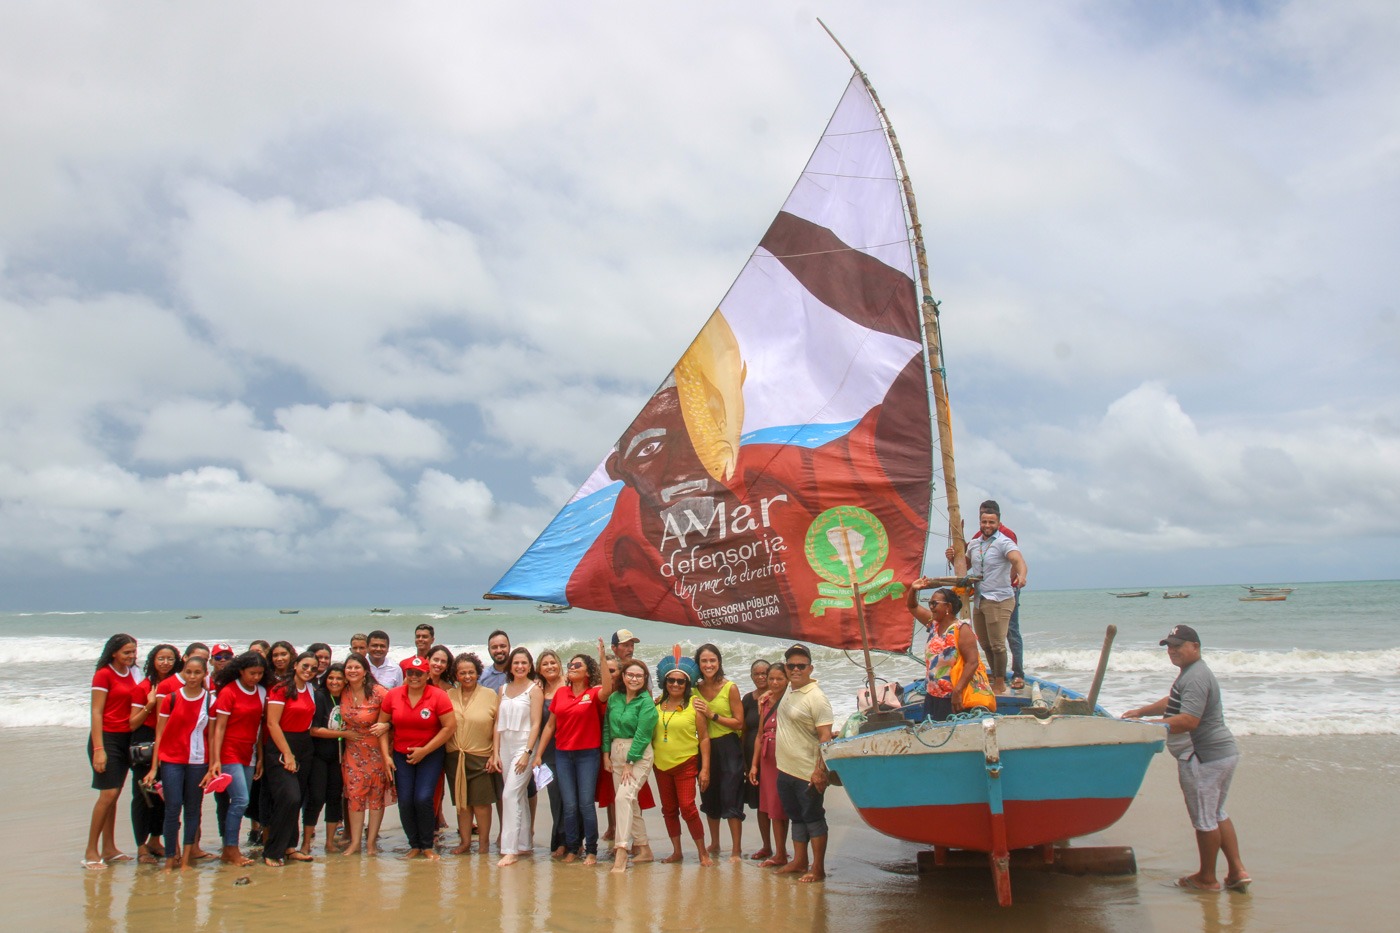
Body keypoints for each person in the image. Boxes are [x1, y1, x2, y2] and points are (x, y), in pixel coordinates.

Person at [1123, 625, 1251, 894]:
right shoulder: (1194, 674)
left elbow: (1189, 720)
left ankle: (1207, 878)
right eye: (1169, 646)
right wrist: (1142, 711)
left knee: (1204, 820)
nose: (1172, 651)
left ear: (1195, 646)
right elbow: (1175, 701)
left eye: (1178, 646)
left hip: (1202, 757)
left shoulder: (1194, 676)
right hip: (1223, 753)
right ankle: (1237, 871)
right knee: (1217, 813)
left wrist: (1151, 727)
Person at [533, 639, 613, 864]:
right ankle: (572, 847)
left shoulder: (593, 693)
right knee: (568, 804)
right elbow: (550, 726)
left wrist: (602, 659)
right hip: (563, 755)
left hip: (587, 755)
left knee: (585, 804)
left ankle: (592, 850)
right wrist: (538, 754)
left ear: (588, 672)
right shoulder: (561, 694)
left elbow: (607, 689)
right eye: (571, 665)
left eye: (578, 665)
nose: (572, 667)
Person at [947, 501, 1027, 695]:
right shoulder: (975, 543)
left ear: (998, 522)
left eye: (991, 522)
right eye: (984, 521)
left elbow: (1018, 560)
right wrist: (952, 557)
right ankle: (997, 675)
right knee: (985, 643)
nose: (987, 525)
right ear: (980, 522)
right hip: (980, 599)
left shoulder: (1004, 541)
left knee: (1000, 642)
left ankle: (1002, 681)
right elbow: (964, 567)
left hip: (1000, 598)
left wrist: (1022, 576)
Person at [141, 655, 212, 872]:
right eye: (188, 672)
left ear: (204, 674)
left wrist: (213, 765)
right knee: (172, 809)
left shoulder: (210, 700)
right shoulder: (171, 698)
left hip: (198, 761)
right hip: (172, 760)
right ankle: (171, 858)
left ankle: (187, 859)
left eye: (197, 672)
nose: (192, 677)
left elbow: (214, 735)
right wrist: (154, 767)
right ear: (183, 673)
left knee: (193, 810)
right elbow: (159, 734)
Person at [380, 656, 455, 860]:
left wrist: (425, 750)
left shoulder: (438, 696)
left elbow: (449, 727)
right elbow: (382, 727)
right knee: (405, 801)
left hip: (430, 755)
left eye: (419, 673)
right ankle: (414, 845)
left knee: (423, 799)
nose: (414, 677)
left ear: (427, 675)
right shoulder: (393, 695)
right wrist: (386, 756)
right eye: (410, 673)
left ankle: (427, 844)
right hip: (401, 755)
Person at [774, 643, 833, 883]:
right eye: (791, 665)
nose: (796, 669)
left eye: (801, 665)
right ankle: (799, 861)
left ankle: (817, 868)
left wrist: (820, 771)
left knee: (813, 818)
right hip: (785, 768)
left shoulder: (817, 698)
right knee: (796, 817)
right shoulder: (789, 688)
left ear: (811, 668)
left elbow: (826, 737)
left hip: (808, 771)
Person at [85, 633, 143, 869]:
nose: (131, 656)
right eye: (126, 652)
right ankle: (91, 850)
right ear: (114, 653)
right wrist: (99, 749)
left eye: (133, 651)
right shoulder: (104, 674)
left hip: (126, 738)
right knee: (107, 794)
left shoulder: (132, 673)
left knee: (115, 795)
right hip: (106, 738)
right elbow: (96, 713)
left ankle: (109, 848)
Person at [651, 650, 712, 866]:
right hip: (660, 766)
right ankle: (676, 851)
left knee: (688, 808)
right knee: (668, 809)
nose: (675, 684)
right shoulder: (656, 705)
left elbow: (704, 738)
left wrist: (705, 769)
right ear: (665, 681)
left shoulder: (694, 705)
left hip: (686, 763)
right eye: (671, 680)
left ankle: (702, 852)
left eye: (680, 681)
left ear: (687, 685)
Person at [209, 650, 268, 866]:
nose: (256, 677)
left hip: (249, 753)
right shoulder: (229, 692)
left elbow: (260, 728)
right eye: (252, 673)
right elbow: (219, 728)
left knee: (243, 801)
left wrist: (260, 757)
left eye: (260, 673)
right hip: (228, 751)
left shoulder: (261, 692)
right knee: (240, 800)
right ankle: (231, 849)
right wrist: (215, 760)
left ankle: (229, 847)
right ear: (241, 671)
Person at [906, 582, 995, 721]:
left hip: (953, 698)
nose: (931, 607)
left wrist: (957, 692)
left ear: (948, 606)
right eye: (929, 603)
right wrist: (913, 589)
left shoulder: (962, 629)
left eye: (934, 604)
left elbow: (972, 662)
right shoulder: (933, 624)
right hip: (933, 695)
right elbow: (912, 606)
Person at [262, 650, 319, 866]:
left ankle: (289, 847)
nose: (309, 671)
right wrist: (287, 753)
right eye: (305, 666)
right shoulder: (281, 689)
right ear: (295, 665)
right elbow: (272, 723)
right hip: (281, 745)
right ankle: (271, 851)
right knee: (289, 797)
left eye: (313, 669)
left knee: (298, 800)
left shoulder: (311, 689)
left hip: (304, 745)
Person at [603, 658, 658, 872]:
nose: (634, 679)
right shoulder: (615, 698)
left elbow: (643, 734)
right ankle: (644, 849)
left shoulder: (646, 702)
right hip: (616, 753)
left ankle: (622, 851)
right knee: (630, 803)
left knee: (623, 797)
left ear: (645, 679)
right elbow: (607, 728)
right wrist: (606, 755)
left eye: (639, 676)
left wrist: (629, 762)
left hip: (638, 756)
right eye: (630, 675)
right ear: (623, 676)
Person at [693, 644, 745, 860]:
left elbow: (739, 723)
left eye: (712, 660)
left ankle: (736, 849)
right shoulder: (694, 690)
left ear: (719, 662)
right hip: (704, 748)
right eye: (704, 661)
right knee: (709, 794)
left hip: (729, 745)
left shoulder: (730, 687)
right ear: (698, 664)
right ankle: (714, 843)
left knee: (731, 795)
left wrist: (713, 715)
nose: (708, 665)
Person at [339, 653, 393, 856]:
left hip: (377, 750)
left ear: (365, 671)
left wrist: (387, 724)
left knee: (376, 796)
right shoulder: (342, 692)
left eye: (356, 667)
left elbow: (397, 713)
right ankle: (355, 843)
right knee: (354, 796)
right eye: (349, 667)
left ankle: (371, 844)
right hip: (352, 751)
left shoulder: (379, 693)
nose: (352, 671)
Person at [129, 643, 178, 864]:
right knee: (142, 795)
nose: (165, 663)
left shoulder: (178, 686)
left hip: (169, 739)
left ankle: (155, 840)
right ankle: (141, 847)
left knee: (162, 795)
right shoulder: (143, 687)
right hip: (146, 740)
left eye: (169, 659)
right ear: (153, 660)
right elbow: (132, 723)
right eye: (161, 658)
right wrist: (149, 704)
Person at [494, 646, 543, 866]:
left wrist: (528, 752)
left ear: (530, 666)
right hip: (505, 744)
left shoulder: (534, 689)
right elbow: (497, 723)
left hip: (524, 745)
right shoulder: (503, 689)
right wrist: (495, 752)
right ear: (510, 666)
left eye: (524, 663)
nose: (520, 666)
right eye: (516, 663)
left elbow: (536, 724)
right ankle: (524, 844)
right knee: (519, 796)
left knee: (509, 795)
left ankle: (510, 849)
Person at [446, 653, 498, 856]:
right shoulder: (449, 695)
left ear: (478, 673)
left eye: (471, 672)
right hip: (454, 756)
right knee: (462, 803)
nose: (467, 676)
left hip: (481, 755)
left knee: (481, 803)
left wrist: (495, 753)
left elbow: (497, 726)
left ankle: (483, 844)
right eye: (462, 673)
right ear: (456, 675)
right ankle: (465, 842)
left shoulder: (490, 694)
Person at [748, 661, 790, 868]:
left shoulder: (791, 700)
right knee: (770, 806)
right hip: (766, 758)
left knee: (780, 806)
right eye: (771, 678)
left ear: (787, 680)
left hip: (784, 756)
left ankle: (782, 853)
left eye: (778, 679)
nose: (773, 682)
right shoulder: (764, 701)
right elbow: (759, 734)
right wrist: (754, 765)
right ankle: (777, 851)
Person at [303, 662, 347, 856]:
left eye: (339, 678)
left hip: (339, 758)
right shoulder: (319, 697)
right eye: (331, 678)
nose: (335, 682)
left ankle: (329, 842)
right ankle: (306, 843)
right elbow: (314, 730)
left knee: (334, 799)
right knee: (316, 798)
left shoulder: (348, 698)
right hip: (319, 756)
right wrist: (346, 734)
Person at [534, 649, 567, 858]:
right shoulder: (537, 689)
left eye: (553, 663)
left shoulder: (569, 684)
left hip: (568, 748)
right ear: (539, 669)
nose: (549, 667)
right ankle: (560, 842)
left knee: (571, 797)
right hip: (547, 751)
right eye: (545, 664)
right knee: (556, 798)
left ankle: (573, 841)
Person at [741, 658, 772, 859]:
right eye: (756, 674)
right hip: (752, 758)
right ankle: (767, 846)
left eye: (764, 673)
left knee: (775, 803)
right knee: (761, 804)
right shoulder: (747, 699)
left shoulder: (779, 698)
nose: (760, 677)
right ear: (751, 677)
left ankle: (783, 847)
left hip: (772, 756)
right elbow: (743, 731)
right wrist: (745, 762)